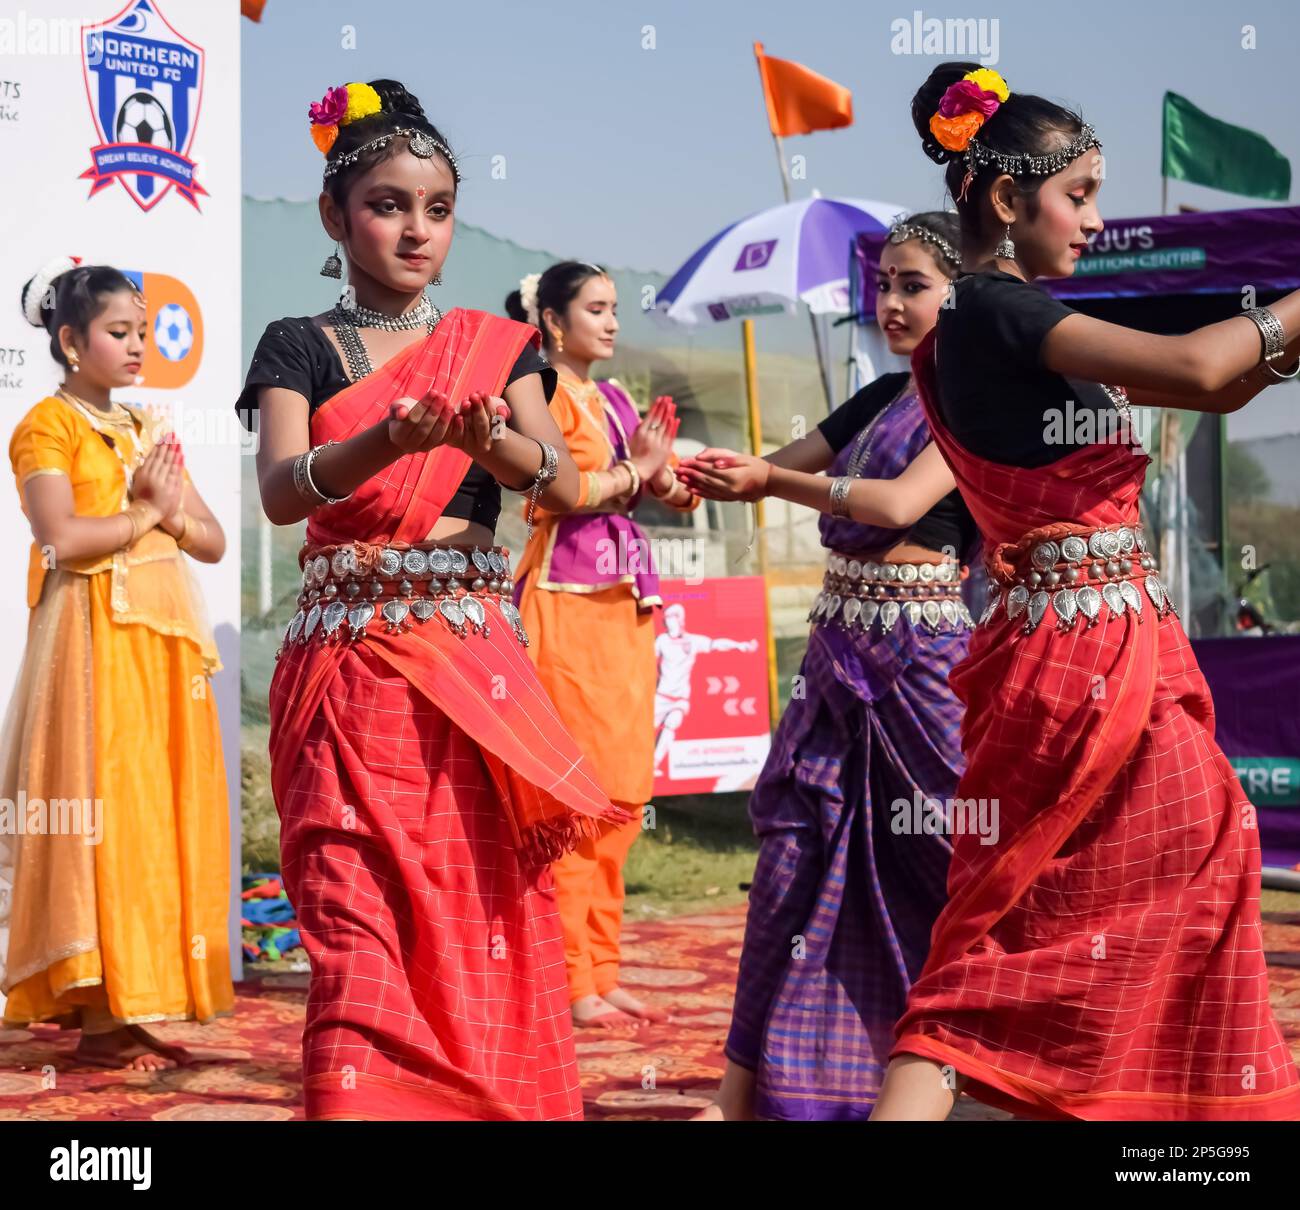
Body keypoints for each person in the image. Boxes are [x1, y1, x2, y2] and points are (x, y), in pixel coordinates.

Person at [870, 63, 1300, 1121]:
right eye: (1081, 194)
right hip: (1083, 664)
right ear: (1009, 200)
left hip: (1076, 649)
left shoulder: (991, 322)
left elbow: (1224, 377)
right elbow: (1201, 370)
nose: (1099, 220)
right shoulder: (1000, 314)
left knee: (1037, 914)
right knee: (1046, 919)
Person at [238, 80, 626, 1120]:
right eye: (388, 203)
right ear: (334, 215)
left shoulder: (499, 352)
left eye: (439, 208)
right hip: (348, 674)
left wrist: (476, 436)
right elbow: (281, 492)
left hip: (468, 674)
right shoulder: (297, 345)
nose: (417, 229)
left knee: (477, 909)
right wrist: (387, 440)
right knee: (354, 923)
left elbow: (554, 479)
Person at [675, 212, 981, 1120]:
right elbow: (767, 469)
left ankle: (965, 1074)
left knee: (951, 865)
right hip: (837, 656)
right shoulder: (881, 398)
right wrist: (680, 474)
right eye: (881, 283)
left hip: (925, 665)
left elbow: (893, 500)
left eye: (913, 285)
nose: (888, 301)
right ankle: (738, 1097)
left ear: (961, 295)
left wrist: (773, 484)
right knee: (791, 867)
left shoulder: (974, 401)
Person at [2, 259, 230, 1071]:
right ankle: (97, 1014)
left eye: (143, 331)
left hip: (161, 647)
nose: (139, 345)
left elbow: (209, 538)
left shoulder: (151, 429)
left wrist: (162, 511)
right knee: (98, 811)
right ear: (70, 340)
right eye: (119, 332)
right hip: (90, 642)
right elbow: (63, 537)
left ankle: (134, 1001)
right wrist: (144, 513)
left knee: (151, 816)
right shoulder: (45, 427)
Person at [506, 262, 699, 1028]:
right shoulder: (539, 395)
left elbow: (665, 483)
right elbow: (561, 491)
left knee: (623, 793)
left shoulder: (615, 397)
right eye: (596, 309)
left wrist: (676, 481)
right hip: (564, 602)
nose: (613, 322)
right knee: (574, 796)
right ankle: (570, 977)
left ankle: (604, 963)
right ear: (553, 321)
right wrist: (637, 471)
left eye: (616, 308)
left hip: (623, 605)